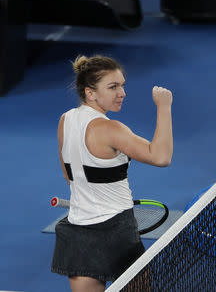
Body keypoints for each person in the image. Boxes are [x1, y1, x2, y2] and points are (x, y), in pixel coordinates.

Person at [51, 55, 173, 292]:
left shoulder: (65, 120)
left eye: (122, 85)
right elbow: (161, 156)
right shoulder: (111, 129)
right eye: (113, 87)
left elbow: (69, 175)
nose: (122, 93)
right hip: (117, 232)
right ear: (90, 93)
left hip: (77, 231)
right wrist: (164, 107)